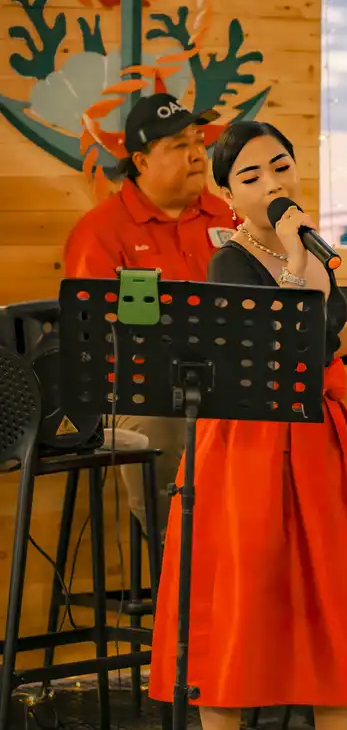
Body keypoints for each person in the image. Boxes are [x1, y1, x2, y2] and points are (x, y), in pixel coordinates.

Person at [148, 120, 347, 730]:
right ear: (227, 195)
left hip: (318, 446)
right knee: (238, 611)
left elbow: (322, 342)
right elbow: (286, 342)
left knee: (338, 605)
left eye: (280, 166)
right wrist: (305, 256)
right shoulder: (231, 265)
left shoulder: (309, 254)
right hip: (247, 447)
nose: (272, 183)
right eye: (250, 175)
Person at [64, 94, 234, 535]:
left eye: (199, 141)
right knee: (164, 423)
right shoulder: (99, 232)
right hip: (141, 390)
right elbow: (90, 339)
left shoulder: (233, 218)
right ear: (140, 160)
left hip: (233, 379)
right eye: (178, 144)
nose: (198, 153)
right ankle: (175, 563)